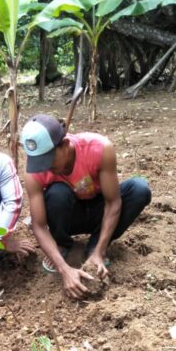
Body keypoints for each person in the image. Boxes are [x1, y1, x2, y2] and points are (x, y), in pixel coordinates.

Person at [21, 114, 151, 298]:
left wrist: (100, 250)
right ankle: (62, 245)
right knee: (57, 193)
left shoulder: (99, 148)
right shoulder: (33, 172)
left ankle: (95, 249)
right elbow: (39, 225)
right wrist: (63, 269)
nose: (46, 168)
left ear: (65, 145)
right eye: (40, 162)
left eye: (49, 160)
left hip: (100, 210)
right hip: (67, 216)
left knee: (139, 189)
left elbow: (113, 202)